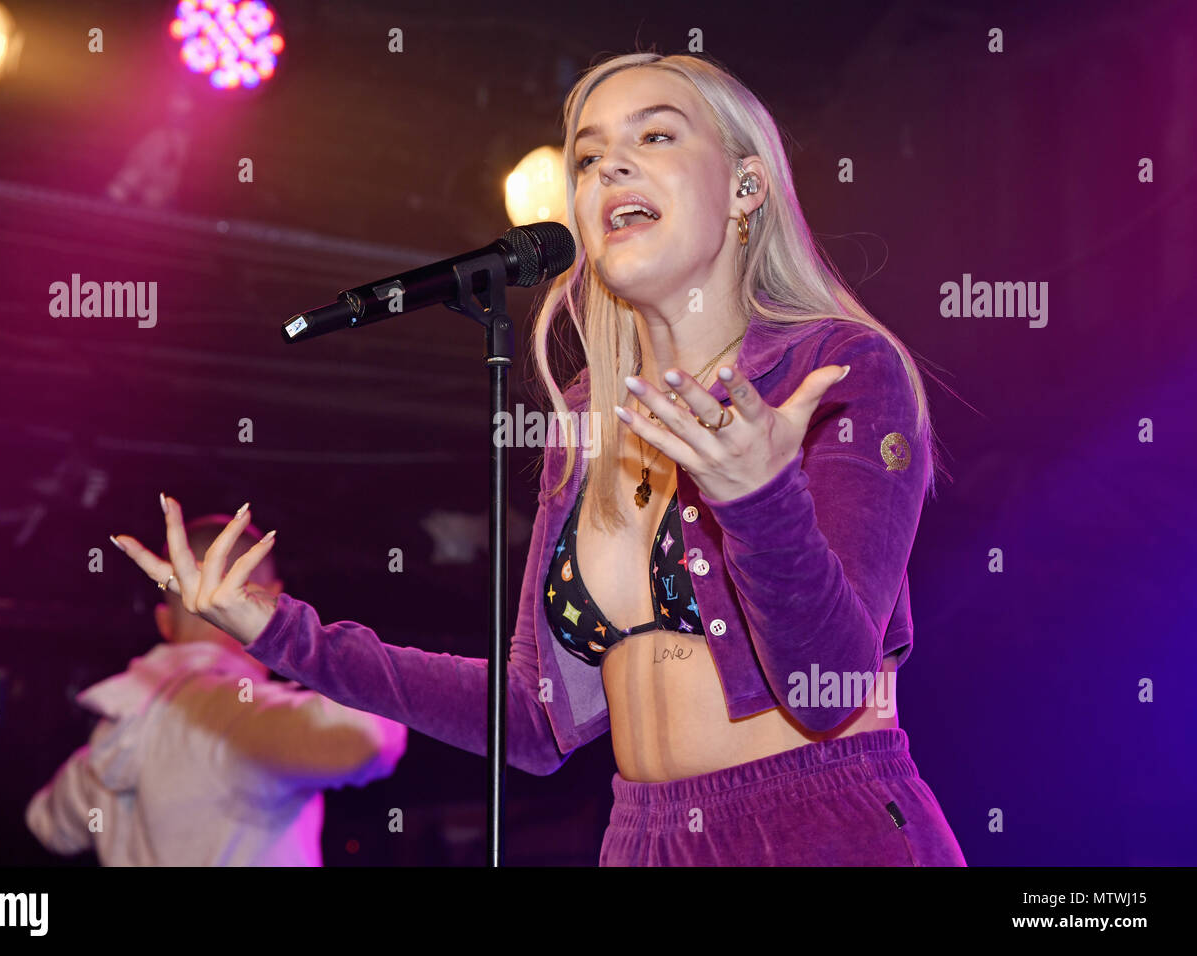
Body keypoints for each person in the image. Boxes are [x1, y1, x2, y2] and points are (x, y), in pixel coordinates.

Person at [111, 51, 965, 866]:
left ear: (747, 187)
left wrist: (758, 498)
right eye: (589, 159)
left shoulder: (833, 372)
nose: (610, 171)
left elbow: (826, 687)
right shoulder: (586, 416)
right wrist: (285, 636)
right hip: (643, 840)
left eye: (655, 137)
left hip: (819, 826)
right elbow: (533, 721)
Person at [27, 513, 406, 866]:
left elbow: (46, 824)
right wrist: (292, 638)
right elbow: (374, 734)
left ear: (164, 621)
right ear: (273, 598)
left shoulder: (114, 728)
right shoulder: (242, 718)